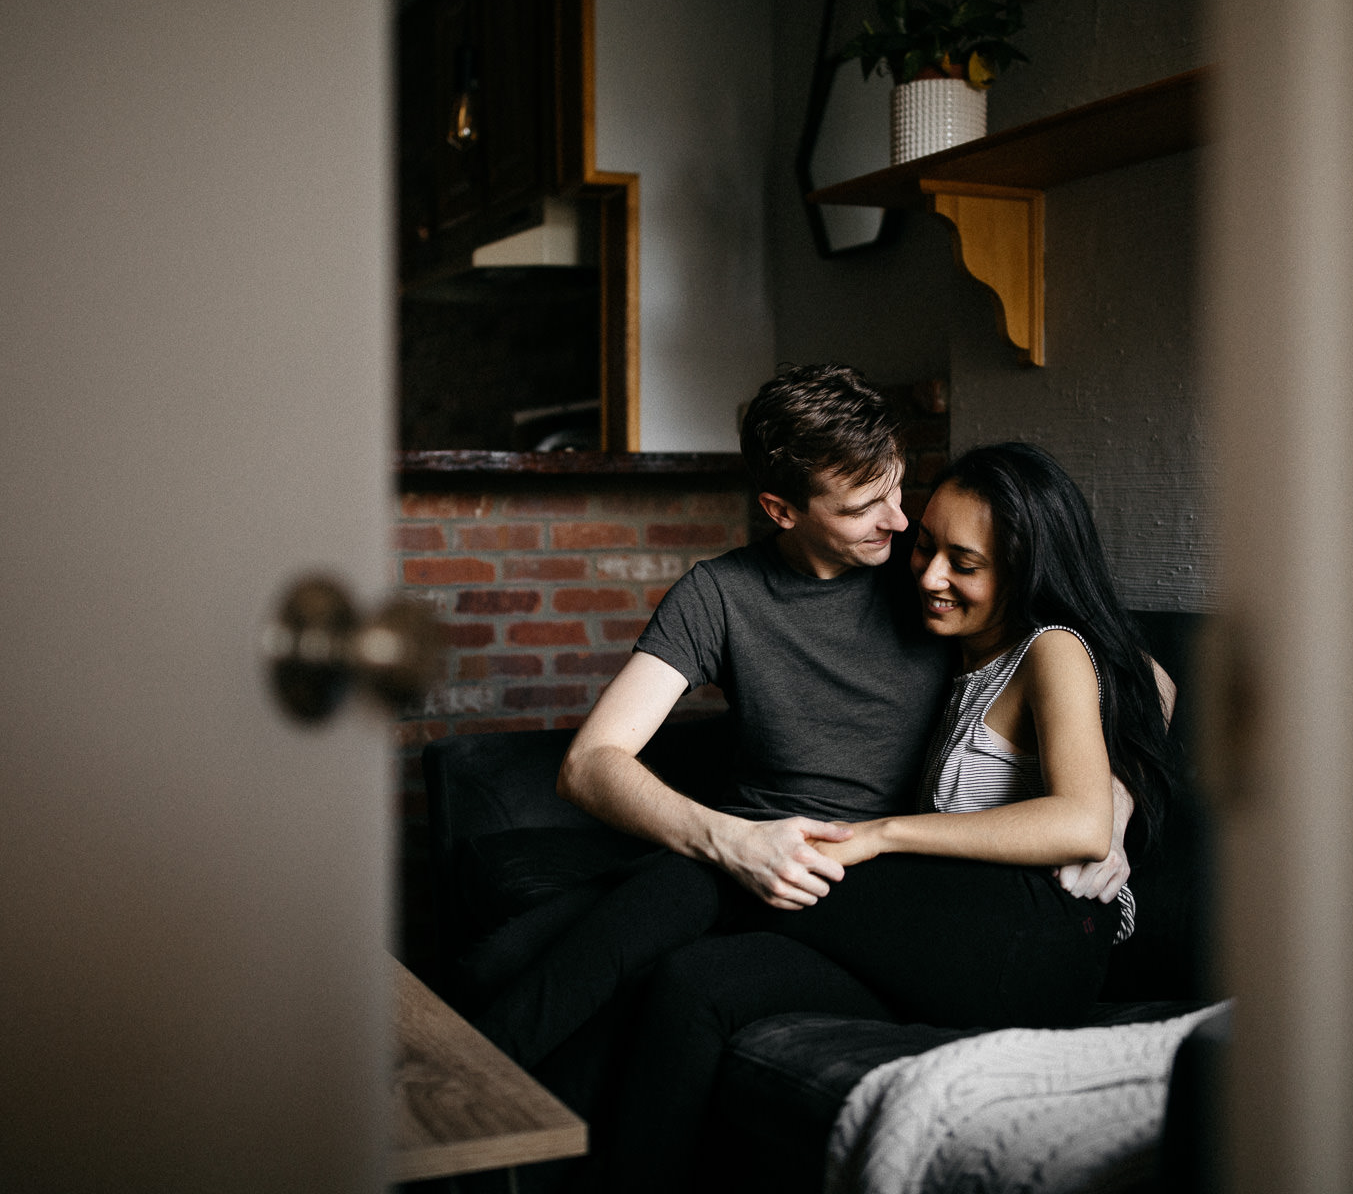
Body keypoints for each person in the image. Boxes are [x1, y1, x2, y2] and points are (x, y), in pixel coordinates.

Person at [467, 368, 1134, 1075]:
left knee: (648, 926)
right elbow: (589, 764)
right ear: (782, 510)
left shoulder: (924, 578)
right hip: (745, 856)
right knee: (501, 960)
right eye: (862, 507)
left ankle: (459, 1096)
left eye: (896, 490)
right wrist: (732, 842)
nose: (899, 522)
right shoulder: (719, 594)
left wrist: (1116, 799)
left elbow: (1126, 666)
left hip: (883, 886)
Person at [595, 441, 1181, 1193]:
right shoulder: (963, 645)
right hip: (949, 939)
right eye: (924, 546)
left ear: (1027, 569)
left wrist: (884, 833)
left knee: (727, 871)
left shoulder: (1051, 648)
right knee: (696, 981)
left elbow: (1077, 821)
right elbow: (1150, 678)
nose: (931, 575)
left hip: (1037, 937)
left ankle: (495, 1047)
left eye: (962, 564)